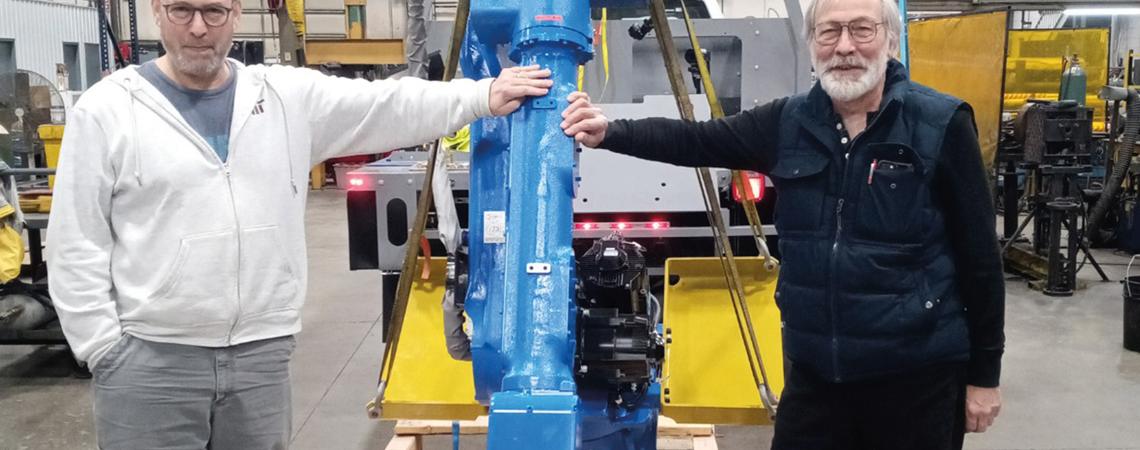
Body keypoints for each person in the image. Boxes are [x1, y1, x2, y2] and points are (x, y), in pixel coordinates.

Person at [46, 0, 552, 447]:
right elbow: (75, 242)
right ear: (158, 11)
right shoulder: (110, 110)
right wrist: (104, 350)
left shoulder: (282, 97)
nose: (198, 28)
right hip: (152, 361)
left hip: (259, 359)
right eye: (182, 10)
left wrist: (483, 94)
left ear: (236, 15)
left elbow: (387, 106)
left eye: (213, 12)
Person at [560, 0, 1003, 447]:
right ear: (812, 44)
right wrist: (610, 131)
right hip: (816, 377)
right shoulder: (788, 121)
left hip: (917, 379)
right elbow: (697, 139)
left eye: (861, 30)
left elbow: (980, 259)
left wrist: (984, 375)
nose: (844, 46)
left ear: (889, 39)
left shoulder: (940, 123)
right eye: (829, 32)